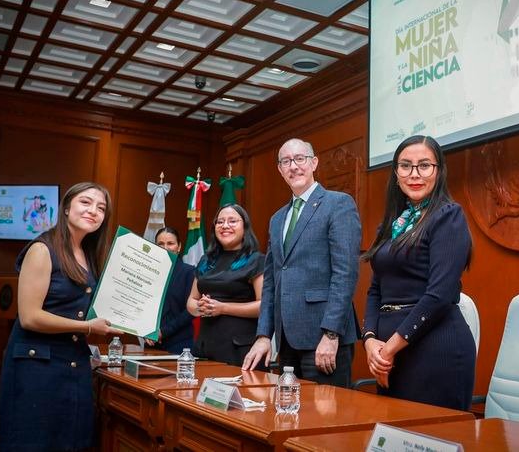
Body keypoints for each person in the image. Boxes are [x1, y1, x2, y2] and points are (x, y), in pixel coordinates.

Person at [0, 182, 121, 451]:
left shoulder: (90, 255)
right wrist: (88, 327)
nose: (94, 211)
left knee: (72, 441)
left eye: (101, 208)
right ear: (66, 208)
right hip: (36, 366)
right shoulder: (42, 249)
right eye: (85, 202)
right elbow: (29, 317)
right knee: (34, 442)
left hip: (73, 362)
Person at [360, 135, 475, 410]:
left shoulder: (448, 216)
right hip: (389, 355)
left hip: (435, 351)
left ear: (438, 171)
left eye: (424, 165)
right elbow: (376, 289)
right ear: (396, 173)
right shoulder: (392, 224)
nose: (414, 174)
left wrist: (388, 349)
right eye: (405, 166)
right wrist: (370, 340)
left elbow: (440, 295)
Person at [242, 138, 361, 387]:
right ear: (280, 170)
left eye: (300, 159)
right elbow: (272, 282)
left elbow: (345, 274)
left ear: (314, 162)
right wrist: (264, 335)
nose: (293, 166)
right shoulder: (277, 219)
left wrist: (331, 333)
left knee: (326, 420)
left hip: (324, 341)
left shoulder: (338, 204)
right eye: (286, 161)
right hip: (287, 342)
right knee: (290, 419)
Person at [187, 204, 264, 366]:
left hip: (240, 349)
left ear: (245, 227)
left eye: (232, 221)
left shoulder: (256, 260)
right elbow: (191, 302)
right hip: (205, 346)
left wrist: (222, 308)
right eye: (220, 222)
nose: (225, 226)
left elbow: (263, 306)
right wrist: (201, 307)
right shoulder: (206, 260)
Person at [145, 226, 194, 354]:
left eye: (170, 243)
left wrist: (163, 332)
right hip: (151, 344)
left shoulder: (189, 272)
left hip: (180, 345)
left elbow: (190, 311)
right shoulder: (148, 273)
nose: (165, 248)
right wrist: (144, 331)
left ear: (179, 247)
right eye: (160, 244)